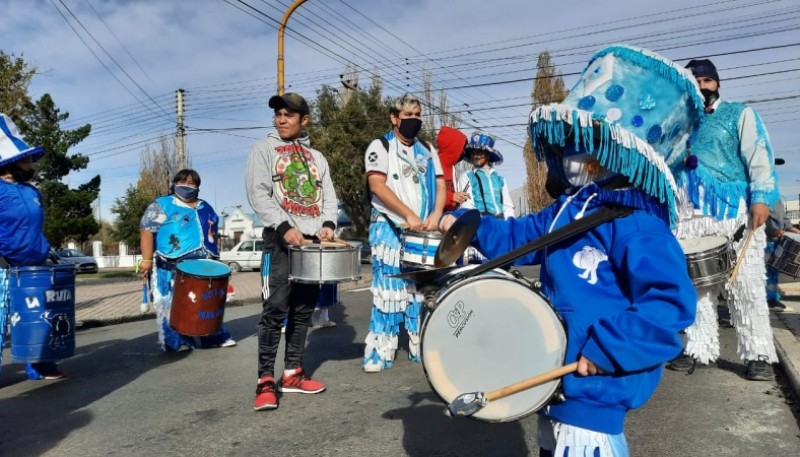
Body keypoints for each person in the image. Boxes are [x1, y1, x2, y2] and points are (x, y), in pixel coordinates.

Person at [441, 45, 700, 456]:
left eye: (587, 144)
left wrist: (606, 349)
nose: (569, 155)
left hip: (595, 387)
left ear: (620, 151)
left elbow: (670, 308)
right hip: (556, 377)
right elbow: (518, 238)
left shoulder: (638, 225)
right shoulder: (567, 210)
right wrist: (467, 226)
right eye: (569, 145)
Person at [667, 58, 781, 381]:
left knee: (744, 285)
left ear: (717, 83)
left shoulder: (739, 115)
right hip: (689, 219)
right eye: (696, 81)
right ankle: (698, 349)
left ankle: (758, 355)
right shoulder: (679, 126)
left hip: (733, 215)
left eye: (707, 81)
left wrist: (761, 199)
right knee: (697, 290)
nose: (702, 87)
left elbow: (759, 155)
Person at [245, 92, 338, 410]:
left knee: (303, 309)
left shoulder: (318, 159)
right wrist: (285, 227)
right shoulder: (263, 149)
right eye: (278, 114)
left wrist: (328, 224)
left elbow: (329, 197)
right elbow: (258, 192)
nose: (281, 119)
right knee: (274, 310)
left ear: (304, 120)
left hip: (311, 245)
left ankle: (293, 373)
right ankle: (265, 381)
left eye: (288, 115)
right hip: (278, 241)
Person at [362, 93, 446, 373]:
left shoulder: (427, 149)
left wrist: (435, 215)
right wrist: (407, 214)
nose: (414, 121)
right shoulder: (381, 145)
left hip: (422, 230)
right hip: (388, 227)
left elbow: (441, 184)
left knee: (418, 289)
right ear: (394, 118)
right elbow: (377, 185)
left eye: (418, 115)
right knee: (388, 288)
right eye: (408, 116)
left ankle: (417, 342)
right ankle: (380, 350)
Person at [0, 113, 68, 381]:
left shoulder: (32, 191)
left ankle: (41, 365)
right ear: (8, 163)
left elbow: (34, 228)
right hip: (4, 266)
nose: (30, 164)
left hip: (35, 267)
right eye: (25, 159)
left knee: (40, 316)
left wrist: (46, 251)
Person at [139, 169, 237, 353]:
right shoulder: (163, 205)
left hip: (203, 264)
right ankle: (174, 340)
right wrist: (146, 259)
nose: (187, 186)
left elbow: (213, 233)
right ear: (175, 184)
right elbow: (146, 230)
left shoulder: (205, 206)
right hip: (169, 264)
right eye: (183, 182)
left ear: (198, 187)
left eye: (192, 183)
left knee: (206, 301)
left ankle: (210, 336)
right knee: (169, 303)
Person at [457, 132, 515, 219]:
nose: (476, 156)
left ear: (488, 154)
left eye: (480, 152)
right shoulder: (467, 177)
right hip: (480, 225)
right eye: (473, 152)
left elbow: (507, 206)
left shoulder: (499, 179)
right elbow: (467, 206)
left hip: (501, 225)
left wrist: (510, 225)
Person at [764, 199, 799, 310]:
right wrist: (771, 230)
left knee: (773, 271)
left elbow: (783, 216)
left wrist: (791, 228)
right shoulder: (758, 196)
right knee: (762, 272)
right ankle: (762, 299)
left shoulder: (776, 199)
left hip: (777, 240)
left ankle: (772, 298)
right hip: (763, 240)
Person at [435, 126, 469, 212]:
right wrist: (452, 197)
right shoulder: (434, 165)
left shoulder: (451, 168)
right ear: (453, 147)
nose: (462, 152)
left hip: (448, 216)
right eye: (461, 148)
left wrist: (459, 198)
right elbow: (429, 194)